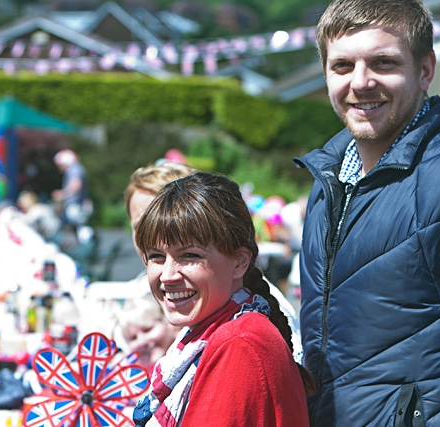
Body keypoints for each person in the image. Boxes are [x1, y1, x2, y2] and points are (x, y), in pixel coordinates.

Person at [294, 0, 440, 425]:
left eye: (383, 62)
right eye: (342, 66)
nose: (361, 82)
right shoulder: (327, 184)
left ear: (425, 70)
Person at [132, 172, 311, 427]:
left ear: (239, 262)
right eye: (156, 257)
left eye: (190, 255)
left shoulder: (238, 344)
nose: (168, 275)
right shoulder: (222, 333)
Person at [123, 162, 304, 363]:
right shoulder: (145, 292)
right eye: (143, 226)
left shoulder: (245, 337)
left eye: (190, 254)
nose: (156, 235)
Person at [51, 149, 92, 227]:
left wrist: (62, 194)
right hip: (77, 207)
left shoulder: (74, 170)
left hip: (77, 207)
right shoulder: (75, 169)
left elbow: (76, 186)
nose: (59, 167)